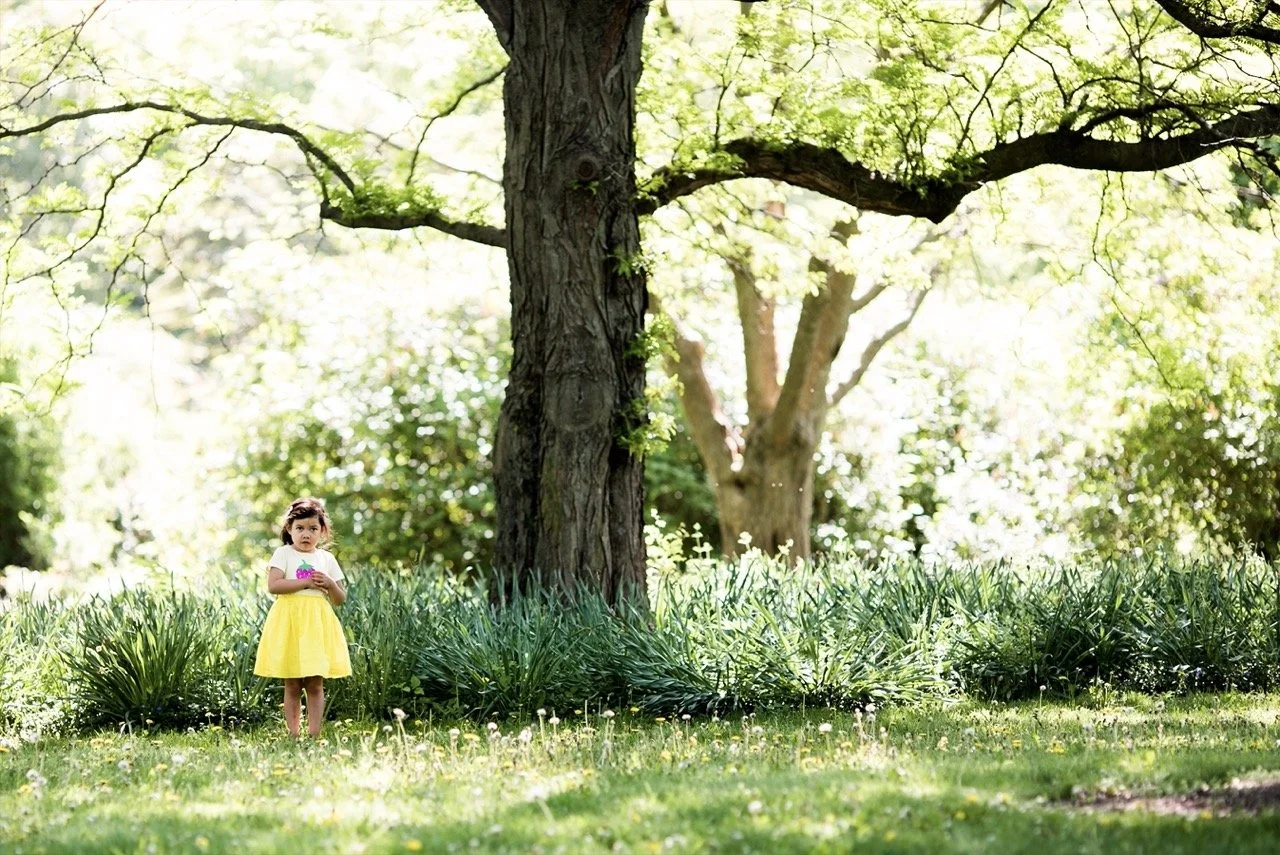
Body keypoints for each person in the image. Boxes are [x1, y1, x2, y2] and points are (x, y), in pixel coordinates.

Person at [253, 496, 352, 737]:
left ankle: (314, 733)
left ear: (322, 531)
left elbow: (340, 599)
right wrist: (305, 581)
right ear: (289, 529)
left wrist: (329, 584)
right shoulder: (283, 554)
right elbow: (274, 586)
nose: (306, 534)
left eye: (312, 529)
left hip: (317, 624)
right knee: (293, 682)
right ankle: (293, 734)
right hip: (289, 622)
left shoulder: (326, 559)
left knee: (315, 681)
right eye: (300, 528)